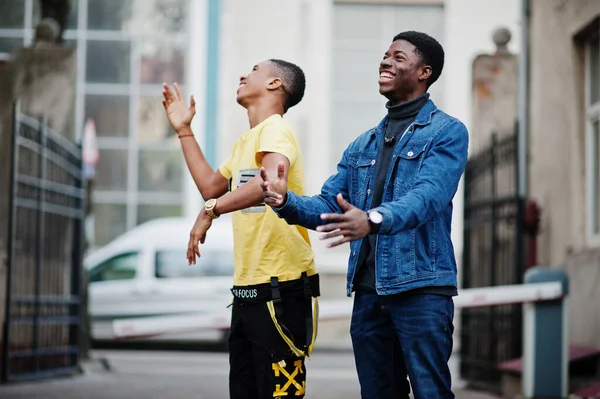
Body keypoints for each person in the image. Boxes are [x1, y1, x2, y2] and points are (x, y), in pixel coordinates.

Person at [261, 31, 468, 398]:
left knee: (430, 392)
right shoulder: (363, 144)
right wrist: (285, 201)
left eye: (398, 57)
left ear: (424, 72)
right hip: (370, 294)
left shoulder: (447, 132)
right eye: (385, 55)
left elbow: (428, 197)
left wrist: (372, 219)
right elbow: (328, 204)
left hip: (421, 290)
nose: (385, 61)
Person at [161, 59, 319, 399]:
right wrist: (183, 130)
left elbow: (272, 185)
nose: (243, 74)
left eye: (255, 70)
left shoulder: (276, 129)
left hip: (282, 289)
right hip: (247, 291)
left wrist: (212, 211)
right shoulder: (245, 141)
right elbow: (210, 187)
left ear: (276, 84)